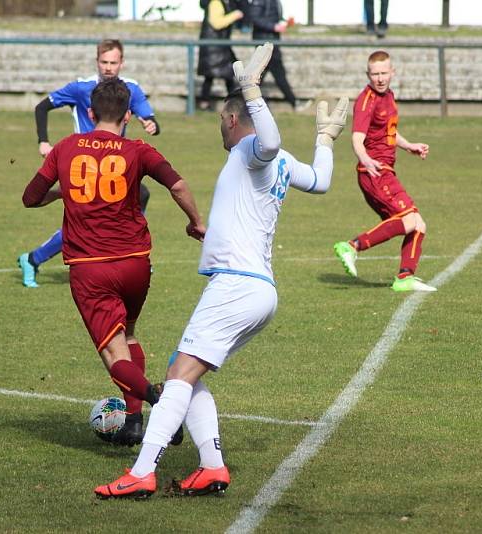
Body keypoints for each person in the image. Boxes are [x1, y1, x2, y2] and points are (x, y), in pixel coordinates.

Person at [92, 43, 349, 500]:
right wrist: (325, 141)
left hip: (236, 285)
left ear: (232, 119)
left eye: (220, 123)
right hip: (258, 291)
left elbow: (267, 140)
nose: (220, 132)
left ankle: (142, 471)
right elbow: (322, 180)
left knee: (177, 378)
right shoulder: (282, 161)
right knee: (184, 372)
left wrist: (251, 90)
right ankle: (211, 468)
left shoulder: (253, 148)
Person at [21, 78, 206, 447]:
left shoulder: (66, 147)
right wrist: (196, 223)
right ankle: (134, 422)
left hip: (92, 268)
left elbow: (31, 197)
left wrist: (64, 192)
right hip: (136, 265)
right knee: (129, 335)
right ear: (126, 115)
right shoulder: (138, 149)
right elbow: (179, 186)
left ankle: (160, 402)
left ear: (90, 113)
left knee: (112, 350)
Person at [18, 39, 160, 288]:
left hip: (115, 165)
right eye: (103, 62)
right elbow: (42, 107)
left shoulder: (130, 89)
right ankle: (34, 258)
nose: (108, 67)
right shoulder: (80, 88)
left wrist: (152, 125)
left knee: (138, 196)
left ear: (121, 63)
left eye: (113, 62)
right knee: (91, 220)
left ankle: (34, 258)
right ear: (97, 62)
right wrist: (43, 141)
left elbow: (148, 117)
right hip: (83, 164)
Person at [333, 50, 436, 293]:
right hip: (375, 171)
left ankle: (405, 277)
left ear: (392, 72)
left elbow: (387, 131)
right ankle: (351, 246)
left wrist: (409, 145)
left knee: (418, 224)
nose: (379, 78)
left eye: (383, 73)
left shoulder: (389, 96)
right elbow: (357, 138)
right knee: (409, 219)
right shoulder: (366, 100)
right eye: (375, 74)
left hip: (385, 170)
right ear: (368, 74)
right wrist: (366, 160)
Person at [242, 0, 309, 112]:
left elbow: (272, 16)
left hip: (272, 41)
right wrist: (273, 27)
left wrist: (284, 22)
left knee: (260, 75)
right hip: (265, 42)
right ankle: (294, 102)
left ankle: (243, 103)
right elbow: (255, 18)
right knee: (277, 74)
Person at [197, 0, 244, 112]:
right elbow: (216, 23)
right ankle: (232, 103)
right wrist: (234, 15)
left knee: (224, 76)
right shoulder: (215, 3)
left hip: (219, 46)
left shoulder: (223, 3)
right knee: (216, 76)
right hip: (214, 47)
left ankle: (229, 103)